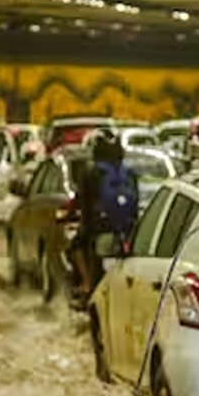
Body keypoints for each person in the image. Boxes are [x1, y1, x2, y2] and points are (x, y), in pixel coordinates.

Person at [70, 128, 138, 300]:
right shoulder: (130, 173)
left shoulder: (92, 173)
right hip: (127, 230)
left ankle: (86, 284)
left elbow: (82, 203)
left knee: (75, 246)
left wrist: (83, 223)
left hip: (100, 228)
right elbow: (136, 203)